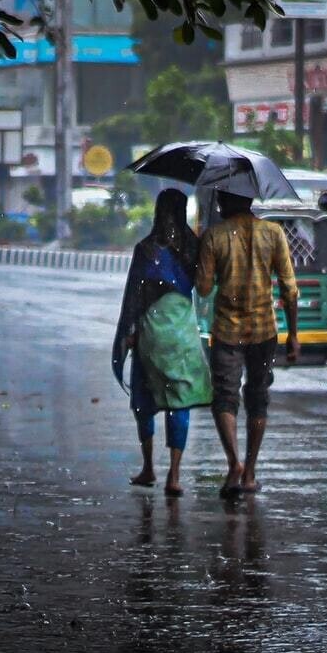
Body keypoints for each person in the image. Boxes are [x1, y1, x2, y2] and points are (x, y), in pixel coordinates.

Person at [196, 189, 300, 497]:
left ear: (226, 202)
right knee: (258, 396)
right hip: (264, 331)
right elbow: (289, 288)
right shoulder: (274, 232)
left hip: (228, 331)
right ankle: (251, 472)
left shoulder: (214, 236)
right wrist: (293, 335)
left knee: (224, 398)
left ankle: (234, 464)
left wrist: (204, 263)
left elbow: (202, 289)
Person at [112, 189, 206, 497]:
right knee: (178, 401)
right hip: (182, 331)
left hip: (151, 331)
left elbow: (133, 296)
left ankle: (149, 467)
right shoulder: (195, 247)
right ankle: (175, 476)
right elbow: (204, 289)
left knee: (144, 398)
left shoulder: (147, 248)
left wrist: (128, 331)